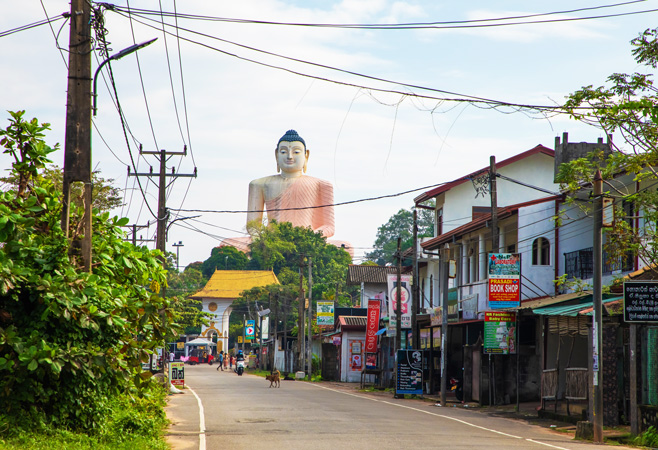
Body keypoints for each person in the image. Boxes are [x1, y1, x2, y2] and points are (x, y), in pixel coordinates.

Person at [220, 130, 352, 256]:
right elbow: (253, 226)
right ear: (276, 155)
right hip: (272, 242)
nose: (289, 156)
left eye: (296, 152)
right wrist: (260, 241)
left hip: (308, 241)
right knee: (227, 244)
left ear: (306, 155)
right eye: (283, 152)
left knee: (346, 247)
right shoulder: (259, 184)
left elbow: (329, 227)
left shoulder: (322, 185)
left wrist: (308, 237)